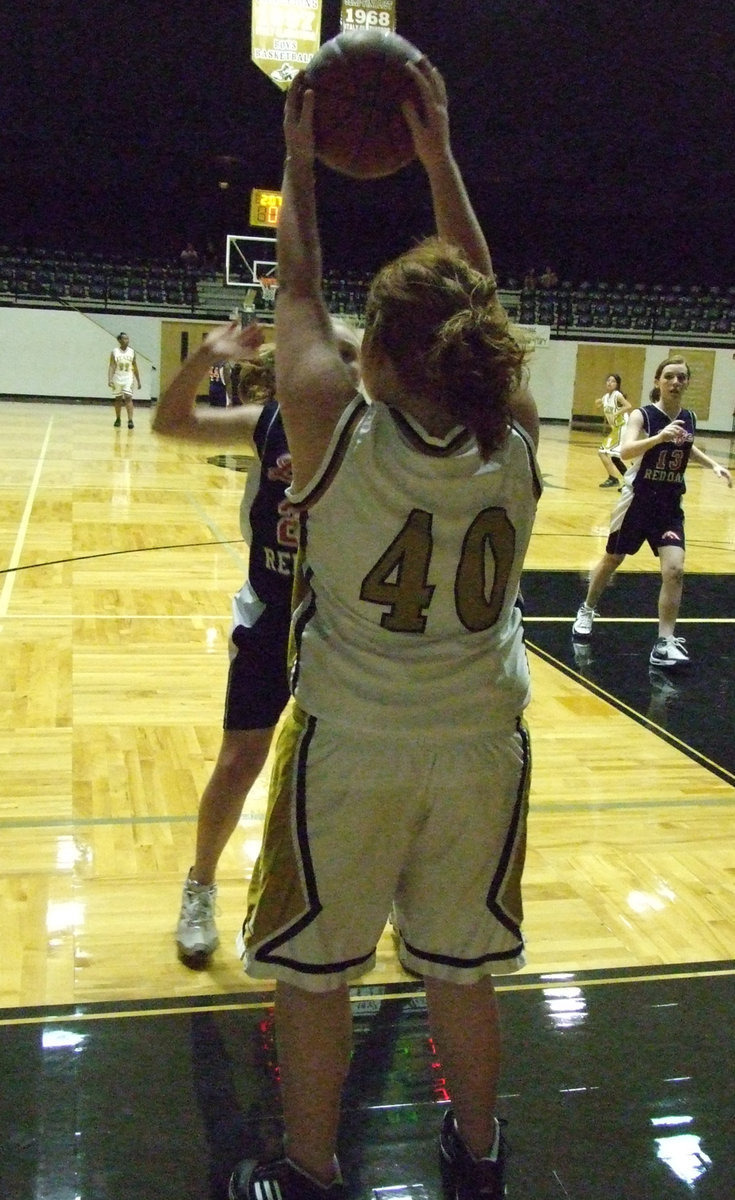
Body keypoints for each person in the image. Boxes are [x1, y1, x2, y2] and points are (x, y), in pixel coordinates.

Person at [229, 58, 541, 1200]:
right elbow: (479, 299)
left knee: (316, 976)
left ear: (374, 359)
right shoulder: (517, 434)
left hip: (352, 747)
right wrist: (439, 156)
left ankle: (311, 1168)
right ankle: (479, 1157)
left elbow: (297, 285)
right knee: (460, 970)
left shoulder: (332, 427)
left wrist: (298, 161)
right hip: (483, 747)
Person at [151, 319, 362, 965]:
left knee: (349, 771)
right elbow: (170, 423)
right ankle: (200, 886)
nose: (342, 366)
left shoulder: (378, 436)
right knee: (241, 758)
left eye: (352, 355)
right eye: (332, 354)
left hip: (343, 627)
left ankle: (356, 898)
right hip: (272, 613)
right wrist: (203, 360)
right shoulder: (267, 422)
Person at [573, 356, 731, 666]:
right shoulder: (641, 415)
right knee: (612, 559)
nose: (676, 382)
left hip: (669, 505)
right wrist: (659, 437)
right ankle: (587, 608)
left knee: (674, 570)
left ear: (687, 383)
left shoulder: (688, 417)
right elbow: (625, 451)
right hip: (637, 501)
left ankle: (664, 642)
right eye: (669, 376)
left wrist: (713, 464)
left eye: (681, 377)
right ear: (657, 381)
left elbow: (686, 445)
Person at [595, 372, 631, 486]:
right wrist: (598, 403)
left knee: (602, 452)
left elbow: (628, 406)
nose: (610, 383)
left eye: (613, 381)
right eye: (608, 380)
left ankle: (614, 478)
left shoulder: (617, 395)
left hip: (622, 427)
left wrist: (616, 413)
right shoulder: (606, 397)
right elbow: (599, 405)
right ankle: (628, 480)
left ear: (617, 384)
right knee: (614, 457)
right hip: (616, 429)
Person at [108, 332, 141, 429]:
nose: (127, 340)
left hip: (128, 377)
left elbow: (135, 366)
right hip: (118, 377)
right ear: (119, 340)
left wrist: (138, 380)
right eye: (125, 339)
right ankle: (118, 418)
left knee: (128, 397)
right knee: (118, 398)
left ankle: (130, 420)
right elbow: (112, 366)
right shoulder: (115, 352)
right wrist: (110, 379)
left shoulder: (132, 352)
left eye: (127, 339)